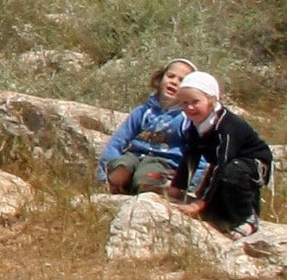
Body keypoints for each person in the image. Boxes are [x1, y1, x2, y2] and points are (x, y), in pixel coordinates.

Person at [169, 71, 272, 240]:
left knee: (232, 172)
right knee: (213, 210)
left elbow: (222, 162)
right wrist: (177, 187)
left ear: (211, 100)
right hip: (225, 165)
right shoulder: (197, 125)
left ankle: (248, 218)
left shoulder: (226, 126)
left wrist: (201, 201)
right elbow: (191, 156)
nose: (189, 108)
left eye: (195, 102)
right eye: (184, 103)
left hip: (253, 165)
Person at [98, 58, 206, 194]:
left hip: (162, 162)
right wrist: (104, 174)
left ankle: (148, 186)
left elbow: (199, 155)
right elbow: (118, 141)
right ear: (160, 78)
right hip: (134, 157)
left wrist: (190, 185)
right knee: (121, 169)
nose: (174, 82)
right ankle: (124, 185)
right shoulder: (143, 111)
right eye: (170, 76)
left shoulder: (187, 120)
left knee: (146, 178)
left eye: (181, 81)